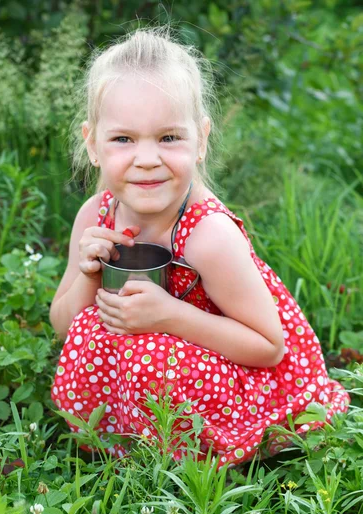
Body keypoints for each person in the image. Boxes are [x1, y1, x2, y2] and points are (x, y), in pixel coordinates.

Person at [49, 27, 349, 468]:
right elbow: (63, 326)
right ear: (93, 144)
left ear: (201, 140)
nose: (147, 158)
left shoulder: (209, 235)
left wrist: (168, 315)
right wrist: (88, 274)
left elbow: (269, 346)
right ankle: (124, 440)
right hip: (179, 368)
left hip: (246, 377)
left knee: (151, 349)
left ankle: (204, 460)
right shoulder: (96, 216)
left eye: (168, 137)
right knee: (94, 330)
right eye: (123, 139)